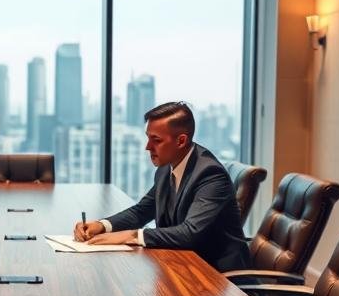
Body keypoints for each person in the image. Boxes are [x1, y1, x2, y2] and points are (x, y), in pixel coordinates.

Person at [73, 101, 250, 272]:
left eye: (156, 140)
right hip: (184, 265)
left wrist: (131, 236)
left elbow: (190, 233)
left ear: (181, 141)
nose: (147, 147)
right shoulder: (166, 168)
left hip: (220, 278)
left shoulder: (210, 174)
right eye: (148, 138)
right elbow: (141, 211)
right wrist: (102, 225)